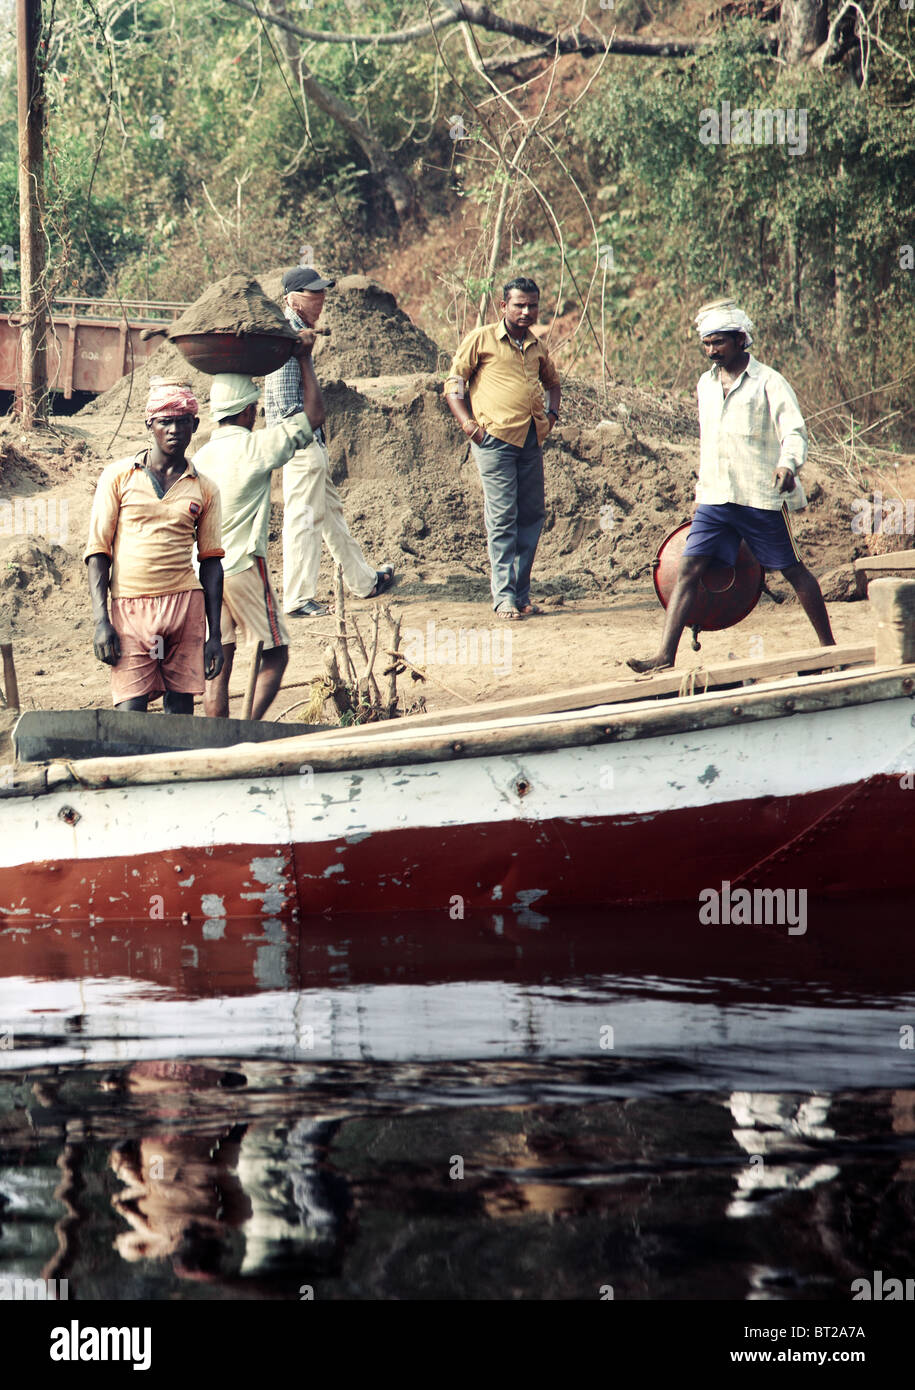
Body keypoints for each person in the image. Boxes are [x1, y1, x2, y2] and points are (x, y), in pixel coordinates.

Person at [627, 302, 835, 673]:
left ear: (741, 340)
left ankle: (829, 649)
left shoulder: (769, 381)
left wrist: (788, 465)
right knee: (688, 568)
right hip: (715, 496)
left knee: (792, 569)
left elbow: (794, 431)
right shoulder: (705, 384)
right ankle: (664, 656)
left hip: (759, 496)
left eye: (719, 342)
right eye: (706, 343)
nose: (711, 350)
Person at [194, 337, 326, 721]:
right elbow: (315, 415)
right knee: (276, 653)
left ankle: (217, 743)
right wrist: (304, 358)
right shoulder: (256, 448)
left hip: (207, 574)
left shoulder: (201, 456)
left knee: (219, 662)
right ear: (249, 411)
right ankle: (247, 730)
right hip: (242, 569)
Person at [85, 378, 224, 712]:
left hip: (183, 609)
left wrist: (215, 635)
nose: (174, 429)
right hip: (130, 610)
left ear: (195, 425)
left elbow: (211, 561)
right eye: (165, 421)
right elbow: (98, 552)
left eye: (182, 421)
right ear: (150, 424)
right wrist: (101, 620)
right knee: (130, 711)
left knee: (180, 711)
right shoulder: (119, 477)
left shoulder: (205, 488)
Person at [264, 265, 394, 617]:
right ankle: (297, 598)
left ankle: (364, 581)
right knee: (303, 520)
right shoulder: (288, 335)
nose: (320, 299)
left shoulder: (299, 331)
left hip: (307, 440)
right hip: (300, 440)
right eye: (312, 293)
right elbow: (283, 399)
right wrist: (304, 439)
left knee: (331, 515)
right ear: (292, 298)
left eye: (322, 292)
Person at [444, 276, 561, 620]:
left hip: (530, 440)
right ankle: (504, 597)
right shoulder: (481, 339)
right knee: (502, 517)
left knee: (532, 515)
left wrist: (551, 416)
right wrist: (469, 425)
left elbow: (553, 383)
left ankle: (521, 595)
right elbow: (454, 382)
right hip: (493, 441)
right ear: (503, 306)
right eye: (519, 305)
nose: (526, 311)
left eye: (532, 305)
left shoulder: (537, 347)